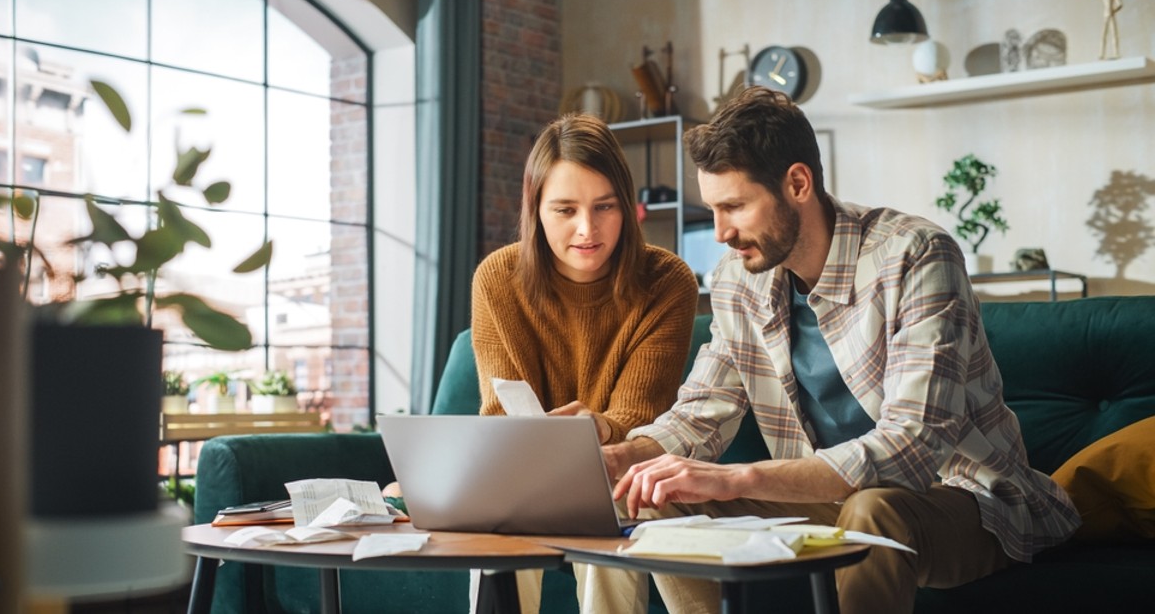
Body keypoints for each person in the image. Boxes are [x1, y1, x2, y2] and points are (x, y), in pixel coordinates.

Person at [598, 86, 1081, 614]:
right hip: (826, 501)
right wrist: (622, 459)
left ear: (797, 183)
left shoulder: (916, 255)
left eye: (734, 206)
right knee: (656, 496)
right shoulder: (738, 279)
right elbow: (701, 412)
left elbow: (914, 444)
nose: (720, 232)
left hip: (962, 499)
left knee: (873, 512)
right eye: (713, 209)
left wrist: (741, 476)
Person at [454, 112, 700, 614]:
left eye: (604, 206)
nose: (587, 229)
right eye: (565, 209)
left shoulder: (667, 280)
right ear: (536, 209)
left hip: (621, 470)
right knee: (501, 500)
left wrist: (601, 428)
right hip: (524, 472)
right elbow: (501, 417)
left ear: (627, 206)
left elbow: (643, 416)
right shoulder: (497, 279)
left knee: (610, 490)